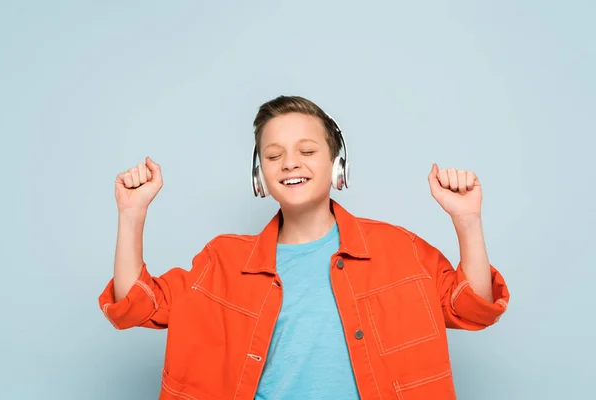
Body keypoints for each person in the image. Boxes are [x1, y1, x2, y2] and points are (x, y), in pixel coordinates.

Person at [98, 95, 510, 400]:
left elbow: (473, 307)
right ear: (260, 174)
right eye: (273, 155)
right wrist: (131, 214)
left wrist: (467, 221)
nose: (290, 163)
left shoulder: (399, 249)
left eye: (307, 151)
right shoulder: (222, 260)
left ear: (337, 162)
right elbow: (133, 305)